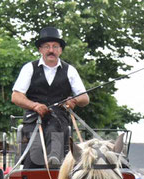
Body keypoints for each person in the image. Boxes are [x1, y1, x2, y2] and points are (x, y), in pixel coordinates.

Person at [11, 27, 90, 169]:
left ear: (60, 50)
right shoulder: (29, 68)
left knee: (56, 123)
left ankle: (55, 159)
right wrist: (34, 105)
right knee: (34, 155)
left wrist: (74, 100)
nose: (51, 50)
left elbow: (85, 98)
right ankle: (38, 167)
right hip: (34, 120)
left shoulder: (70, 70)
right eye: (47, 46)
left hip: (60, 119)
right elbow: (16, 96)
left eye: (55, 46)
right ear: (40, 50)